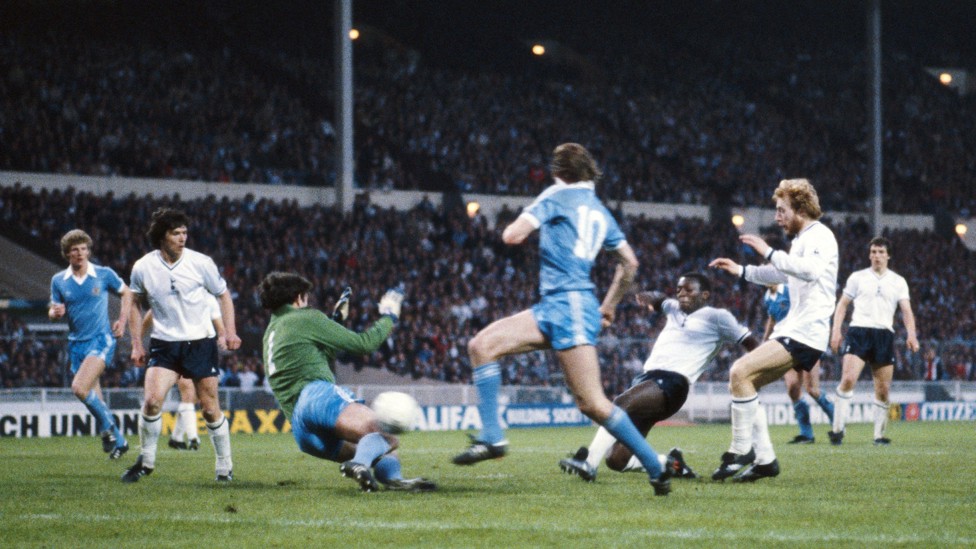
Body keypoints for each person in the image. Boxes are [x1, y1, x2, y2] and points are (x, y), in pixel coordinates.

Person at [451, 143, 674, 496]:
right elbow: (630, 263)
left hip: (567, 305)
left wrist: (530, 214)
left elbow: (512, 235)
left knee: (593, 403)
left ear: (558, 172)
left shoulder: (556, 195)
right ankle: (492, 437)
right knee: (481, 346)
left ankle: (655, 466)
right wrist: (609, 305)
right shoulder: (600, 211)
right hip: (558, 306)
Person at [558, 273, 760, 482]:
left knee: (619, 403)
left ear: (705, 294)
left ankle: (589, 463)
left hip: (673, 382)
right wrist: (648, 295)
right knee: (617, 460)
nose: (682, 293)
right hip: (647, 380)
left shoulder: (718, 317)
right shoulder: (673, 307)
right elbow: (660, 300)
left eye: (689, 290)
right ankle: (671, 464)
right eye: (679, 289)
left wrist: (754, 373)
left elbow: (750, 342)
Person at [709, 178, 838, 482]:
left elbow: (810, 271)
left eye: (782, 210)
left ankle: (741, 450)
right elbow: (782, 271)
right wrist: (742, 271)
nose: (777, 217)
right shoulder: (802, 240)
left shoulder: (821, 235)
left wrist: (768, 250)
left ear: (800, 209)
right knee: (744, 383)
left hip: (805, 331)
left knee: (739, 372)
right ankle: (765, 460)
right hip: (796, 328)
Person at [259, 272, 435, 492]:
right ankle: (359, 465)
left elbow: (316, 357)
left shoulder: (271, 333)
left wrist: (335, 322)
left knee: (376, 447)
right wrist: (389, 316)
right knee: (386, 431)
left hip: (302, 430)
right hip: (317, 396)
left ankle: (392, 479)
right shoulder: (305, 318)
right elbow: (365, 344)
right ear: (297, 298)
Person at [122, 208, 242, 483]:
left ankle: (224, 465)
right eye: (176, 233)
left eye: (185, 232)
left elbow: (224, 295)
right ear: (161, 236)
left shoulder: (201, 263)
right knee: (152, 401)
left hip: (200, 343)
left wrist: (230, 331)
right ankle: (147, 461)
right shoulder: (143, 266)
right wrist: (136, 344)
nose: (182, 237)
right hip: (165, 344)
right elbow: (135, 304)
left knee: (210, 408)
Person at [49, 229, 133, 459]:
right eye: (75, 249)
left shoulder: (103, 274)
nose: (80, 253)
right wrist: (55, 312)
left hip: (101, 339)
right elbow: (53, 310)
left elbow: (127, 293)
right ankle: (119, 439)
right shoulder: (58, 280)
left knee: (79, 387)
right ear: (67, 254)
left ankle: (109, 429)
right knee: (93, 395)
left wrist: (122, 321)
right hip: (76, 344)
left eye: (84, 249)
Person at [829, 236, 919, 446]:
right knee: (849, 379)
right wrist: (836, 331)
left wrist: (911, 334)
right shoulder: (857, 277)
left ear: (888, 255)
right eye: (873, 252)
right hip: (858, 331)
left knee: (883, 389)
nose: (876, 256)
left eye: (880, 252)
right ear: (869, 255)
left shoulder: (898, 281)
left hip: (884, 335)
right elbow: (842, 305)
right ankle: (837, 430)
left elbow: (906, 311)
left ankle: (879, 435)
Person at [142, 293, 224, 451]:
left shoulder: (204, 297)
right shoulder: (174, 295)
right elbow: (152, 313)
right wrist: (138, 340)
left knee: (191, 399)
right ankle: (193, 437)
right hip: (175, 348)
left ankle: (177, 437)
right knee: (187, 395)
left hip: (196, 349)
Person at [762, 283, 834, 444]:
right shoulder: (767, 297)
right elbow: (772, 319)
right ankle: (807, 434)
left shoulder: (789, 289)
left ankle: (837, 425)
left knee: (812, 390)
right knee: (793, 388)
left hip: (805, 341)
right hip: (785, 345)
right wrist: (765, 340)